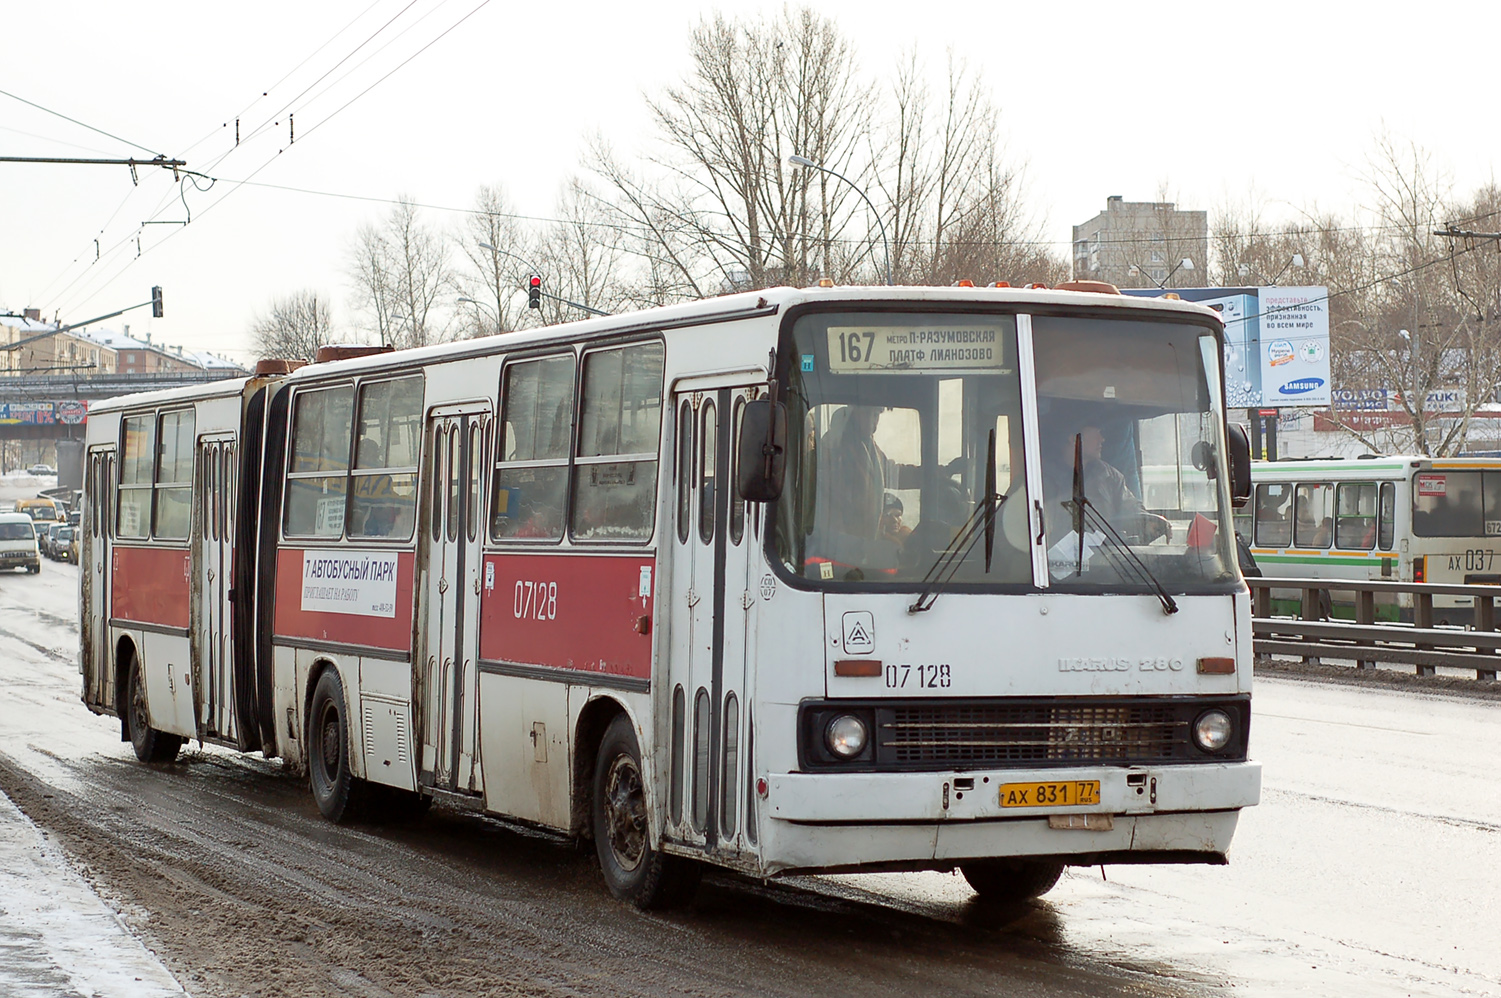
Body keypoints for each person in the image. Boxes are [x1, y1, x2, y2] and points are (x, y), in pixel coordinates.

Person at [1046, 422, 1171, 544]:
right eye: (1096, 434)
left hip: (1107, 559)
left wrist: (1149, 521)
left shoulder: (1110, 477)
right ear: (1074, 439)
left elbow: (1130, 510)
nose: (1102, 439)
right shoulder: (1043, 479)